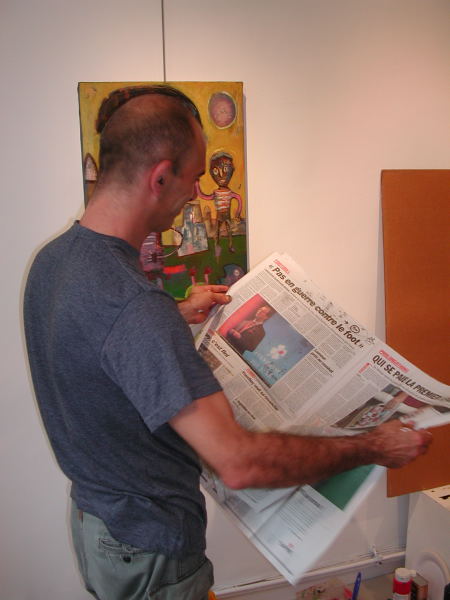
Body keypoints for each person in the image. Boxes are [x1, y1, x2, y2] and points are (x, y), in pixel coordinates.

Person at [23, 85, 432, 600]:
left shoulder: (56, 260)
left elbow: (96, 342)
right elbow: (239, 464)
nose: (196, 193)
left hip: (98, 524)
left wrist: (176, 314)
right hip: (150, 551)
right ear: (160, 177)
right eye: (194, 177)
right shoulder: (135, 308)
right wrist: (373, 445)